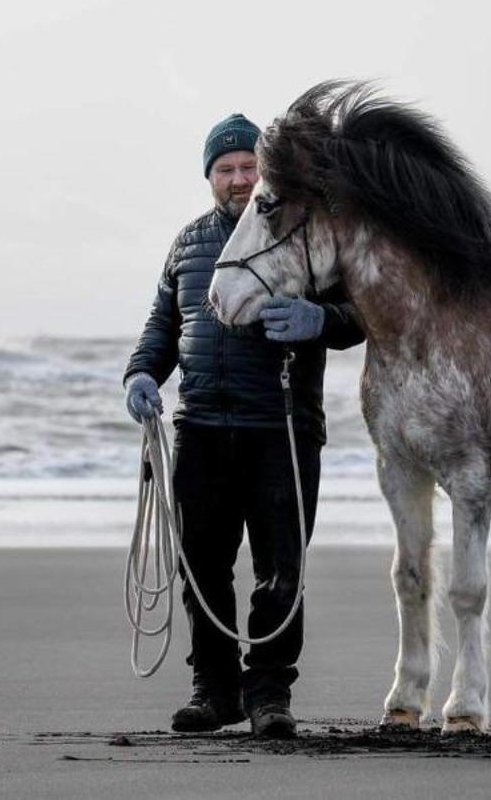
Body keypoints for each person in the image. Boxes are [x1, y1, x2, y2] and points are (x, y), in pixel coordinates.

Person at [121, 113, 364, 738]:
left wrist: (320, 320)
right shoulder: (188, 243)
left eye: (248, 167)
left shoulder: (305, 235)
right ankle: (215, 691)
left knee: (281, 569)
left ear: (267, 173)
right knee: (200, 567)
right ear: (209, 177)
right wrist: (139, 377)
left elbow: (359, 315)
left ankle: (269, 696)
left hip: (281, 429)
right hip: (200, 428)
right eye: (225, 169)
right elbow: (162, 328)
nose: (237, 179)